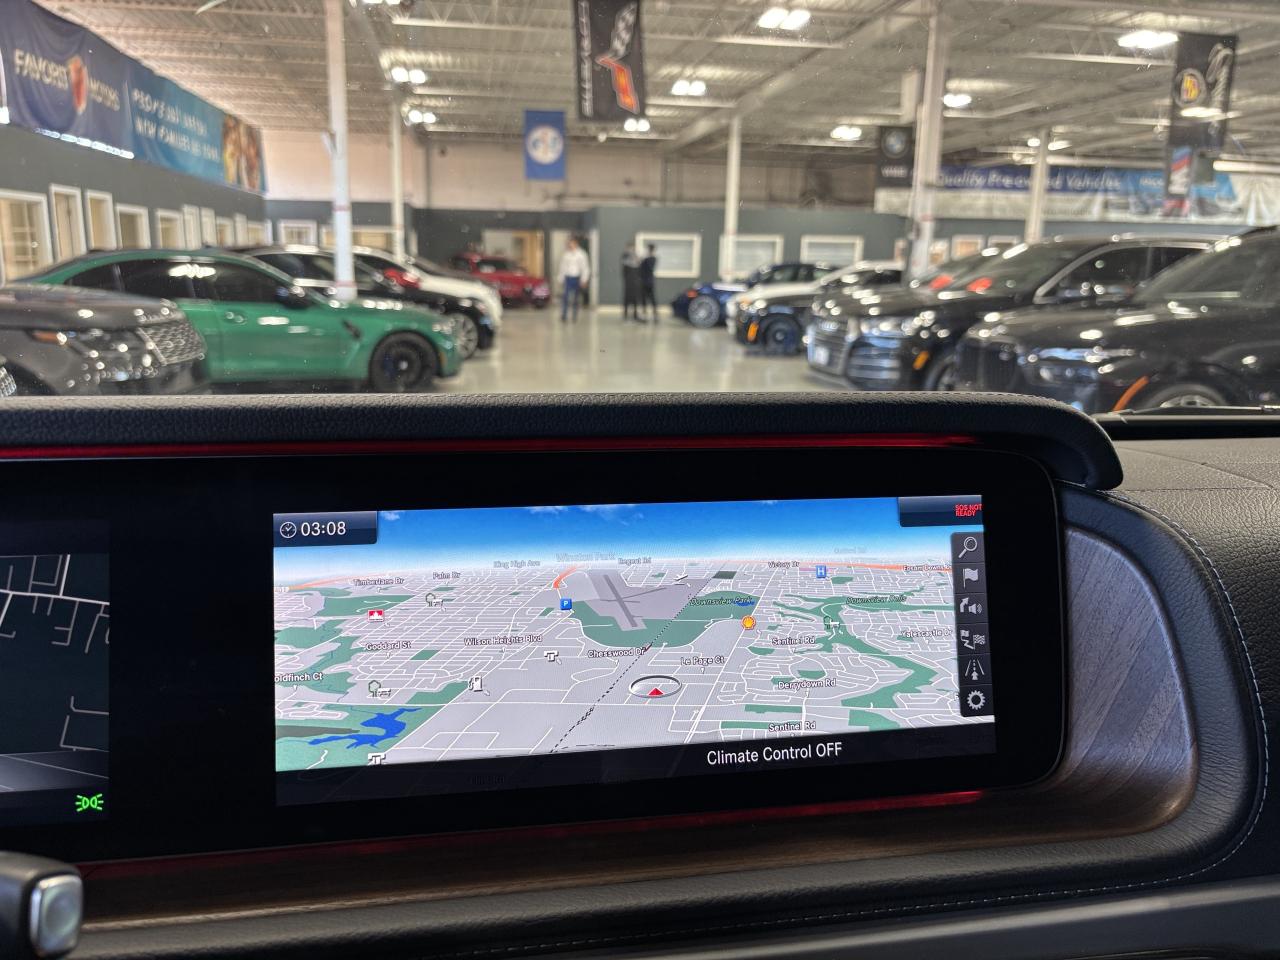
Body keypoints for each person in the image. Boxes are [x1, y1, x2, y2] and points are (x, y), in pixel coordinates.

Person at [557, 237, 590, 323]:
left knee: (576, 298)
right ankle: (564, 315)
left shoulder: (581, 254)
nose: (570, 245)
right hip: (568, 277)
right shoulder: (566, 255)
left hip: (577, 278)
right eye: (569, 243)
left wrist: (584, 279)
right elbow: (562, 267)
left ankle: (574, 315)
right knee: (565, 297)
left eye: (571, 243)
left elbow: (585, 268)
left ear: (576, 243)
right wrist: (560, 278)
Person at [621, 244, 643, 322]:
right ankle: (625, 314)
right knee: (627, 299)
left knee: (635, 299)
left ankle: (635, 314)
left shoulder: (637, 261)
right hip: (628, 283)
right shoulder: (625, 259)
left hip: (635, 283)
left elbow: (639, 270)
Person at [639, 243, 658, 323]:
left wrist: (643, 260)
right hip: (647, 281)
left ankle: (653, 316)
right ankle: (647, 316)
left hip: (647, 282)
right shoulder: (650, 259)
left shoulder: (651, 259)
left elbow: (644, 268)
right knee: (646, 299)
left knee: (650, 299)